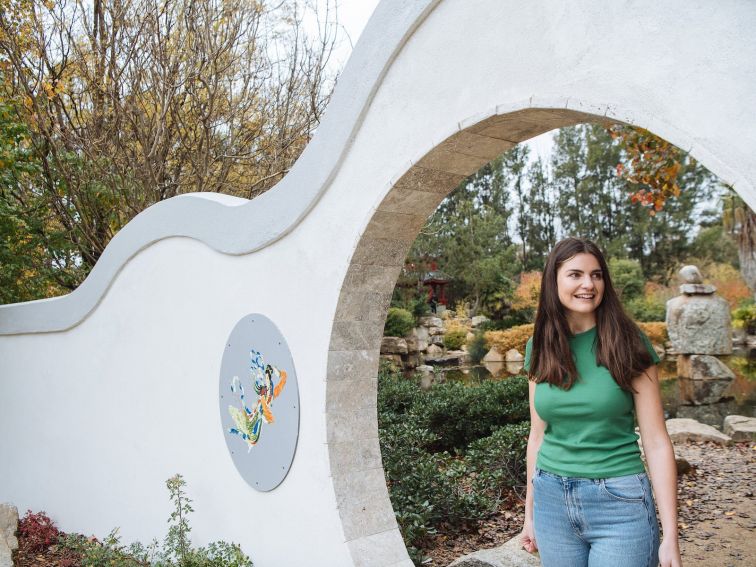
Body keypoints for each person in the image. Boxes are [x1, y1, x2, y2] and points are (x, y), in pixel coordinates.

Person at [519, 237, 682, 567]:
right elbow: (537, 436)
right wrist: (530, 516)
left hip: (620, 502)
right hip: (551, 501)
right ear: (554, 280)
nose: (588, 284)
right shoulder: (539, 346)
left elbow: (656, 442)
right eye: (575, 274)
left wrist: (671, 537)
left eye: (596, 275)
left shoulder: (629, 343)